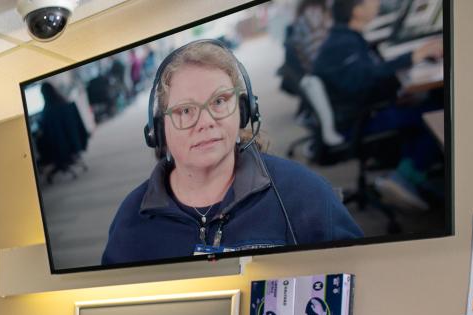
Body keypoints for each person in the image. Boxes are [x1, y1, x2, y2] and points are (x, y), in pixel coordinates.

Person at [101, 39, 362, 266]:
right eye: (185, 111)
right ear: (158, 132)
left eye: (219, 101)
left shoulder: (304, 194)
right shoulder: (131, 219)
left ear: (244, 111)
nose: (206, 122)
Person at [313, 0, 444, 211]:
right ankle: (406, 176)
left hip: (355, 111)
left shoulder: (343, 37)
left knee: (426, 102)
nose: (377, 3)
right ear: (357, 10)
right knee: (432, 112)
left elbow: (362, 79)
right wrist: (414, 56)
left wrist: (396, 93)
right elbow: (366, 78)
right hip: (355, 121)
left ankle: (414, 172)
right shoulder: (343, 44)